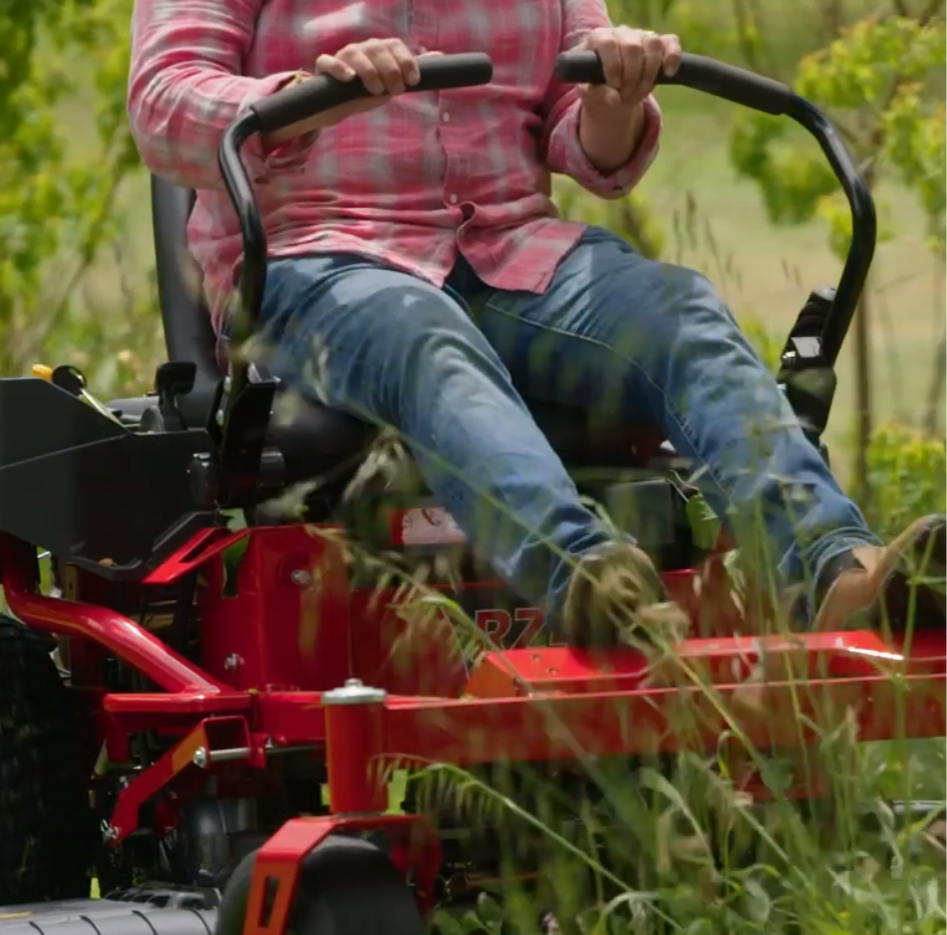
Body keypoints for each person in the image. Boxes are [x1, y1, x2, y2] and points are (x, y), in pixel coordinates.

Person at [127, 0, 947, 647]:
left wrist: (612, 95)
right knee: (421, 333)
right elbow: (162, 105)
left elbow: (589, 145)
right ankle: (587, 579)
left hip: (509, 249)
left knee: (678, 310)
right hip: (322, 257)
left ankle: (836, 574)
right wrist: (300, 98)